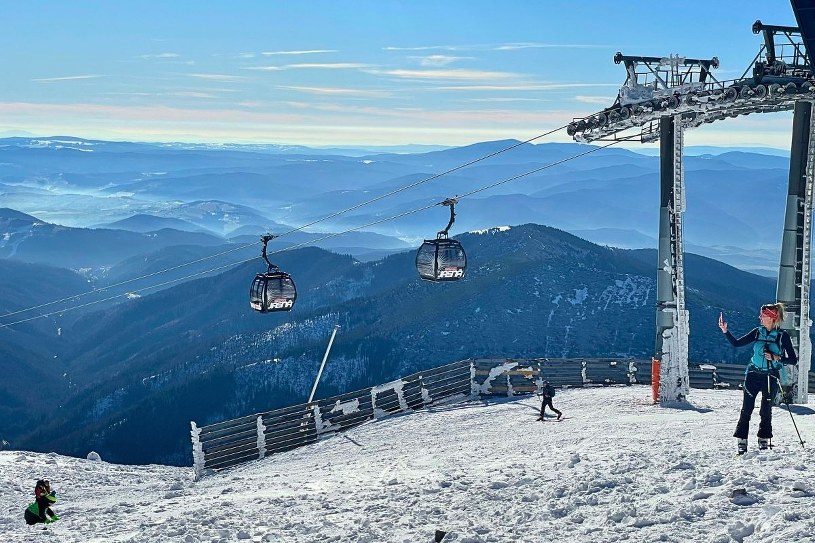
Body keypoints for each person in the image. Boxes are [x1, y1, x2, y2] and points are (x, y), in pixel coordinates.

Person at [719, 303, 798, 454]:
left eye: (763, 315)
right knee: (747, 408)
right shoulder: (757, 332)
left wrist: (776, 357)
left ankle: (763, 439)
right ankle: (742, 440)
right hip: (753, 374)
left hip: (771, 375)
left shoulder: (782, 336)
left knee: (766, 410)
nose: (760, 318)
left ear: (772, 317)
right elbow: (736, 343)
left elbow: (793, 360)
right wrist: (725, 331)